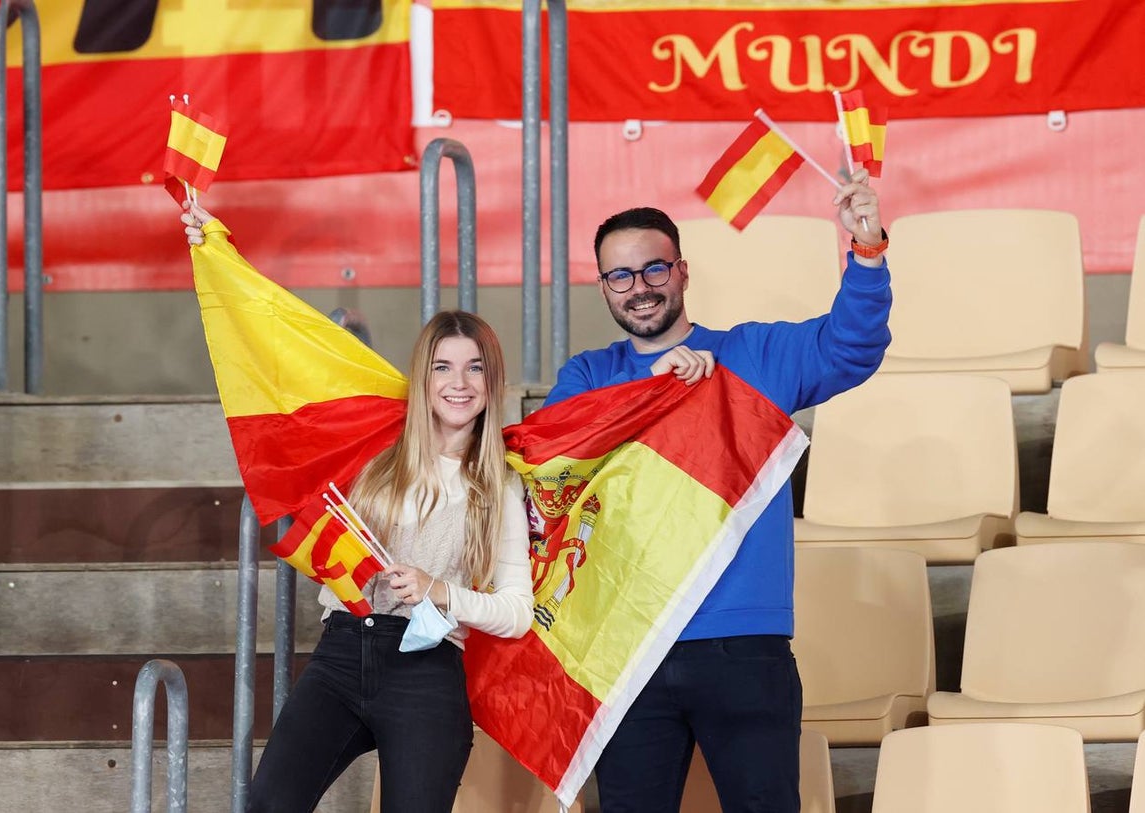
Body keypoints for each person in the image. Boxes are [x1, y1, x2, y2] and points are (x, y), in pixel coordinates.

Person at [544, 169, 892, 812]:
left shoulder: (752, 356)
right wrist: (654, 390)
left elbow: (852, 346)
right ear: (603, 287)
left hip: (744, 643)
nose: (639, 288)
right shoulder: (588, 376)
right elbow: (556, 461)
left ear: (682, 272)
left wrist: (866, 249)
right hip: (628, 647)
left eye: (654, 269)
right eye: (620, 276)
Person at [182, 203, 535, 813]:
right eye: (443, 367)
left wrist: (438, 590)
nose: (459, 382)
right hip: (342, 653)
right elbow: (283, 348)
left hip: (427, 669)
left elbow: (517, 614)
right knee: (270, 803)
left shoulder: (498, 484)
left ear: (491, 381)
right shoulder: (372, 446)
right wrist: (218, 252)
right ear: (422, 377)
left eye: (475, 368)